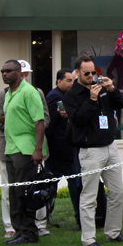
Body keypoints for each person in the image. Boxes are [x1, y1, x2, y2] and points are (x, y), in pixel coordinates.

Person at [64, 54, 123, 246]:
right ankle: (88, 238)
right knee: (89, 196)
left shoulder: (102, 87)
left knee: (116, 192)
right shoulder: (72, 95)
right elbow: (78, 120)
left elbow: (120, 103)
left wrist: (111, 89)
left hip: (110, 145)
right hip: (90, 150)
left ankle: (113, 232)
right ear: (78, 73)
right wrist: (91, 98)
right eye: (87, 73)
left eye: (94, 72)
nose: (91, 76)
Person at [0, 61, 51, 238]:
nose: (4, 74)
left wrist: (38, 150)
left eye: (8, 71)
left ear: (18, 72)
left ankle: (29, 232)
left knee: (24, 192)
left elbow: (39, 122)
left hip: (26, 148)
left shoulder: (29, 92)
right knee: (15, 193)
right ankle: (19, 231)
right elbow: (12, 120)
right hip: (11, 147)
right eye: (2, 71)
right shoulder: (9, 94)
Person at [45, 69, 84, 226]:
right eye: (68, 80)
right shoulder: (55, 97)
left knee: (70, 185)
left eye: (73, 80)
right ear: (58, 81)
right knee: (60, 185)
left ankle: (46, 217)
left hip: (66, 149)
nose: (71, 83)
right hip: (60, 150)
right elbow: (50, 125)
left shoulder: (66, 96)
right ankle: (45, 217)